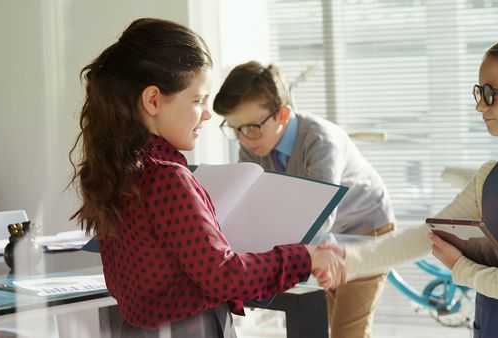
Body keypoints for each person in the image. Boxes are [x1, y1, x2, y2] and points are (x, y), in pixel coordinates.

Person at [68, 18, 345, 337]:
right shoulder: (166, 178)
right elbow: (226, 277)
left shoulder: (118, 170)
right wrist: (305, 257)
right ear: (153, 100)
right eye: (197, 100)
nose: (207, 114)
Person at [331, 30, 498, 338]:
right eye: (479, 92)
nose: (480, 106)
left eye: (492, 93)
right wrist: (344, 260)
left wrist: (463, 269)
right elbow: (427, 236)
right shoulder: (490, 176)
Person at [213, 61, 396, 338]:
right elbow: (253, 206)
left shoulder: (321, 140)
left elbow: (321, 215)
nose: (244, 139)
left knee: (348, 332)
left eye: (251, 128)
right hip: (325, 240)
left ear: (283, 114)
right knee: (325, 323)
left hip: (365, 232)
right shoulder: (252, 145)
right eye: (235, 129)